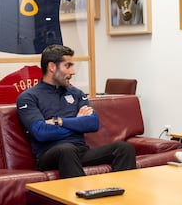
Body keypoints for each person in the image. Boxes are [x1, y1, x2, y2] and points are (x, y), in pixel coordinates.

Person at [17, 45, 137, 178]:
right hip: (49, 155)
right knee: (67, 149)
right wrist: (78, 124)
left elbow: (93, 123)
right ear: (52, 67)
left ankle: (119, 194)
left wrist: (59, 121)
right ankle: (82, 196)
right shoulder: (28, 97)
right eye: (67, 66)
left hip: (80, 152)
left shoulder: (76, 93)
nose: (73, 72)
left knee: (124, 148)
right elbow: (40, 132)